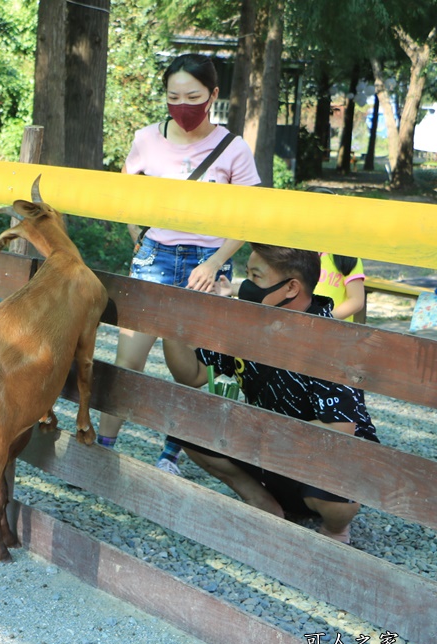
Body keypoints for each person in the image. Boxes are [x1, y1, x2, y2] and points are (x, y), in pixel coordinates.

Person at [94, 53, 261, 476]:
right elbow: (123, 191)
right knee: (127, 360)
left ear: (213, 95)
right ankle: (101, 449)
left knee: (188, 370)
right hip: (154, 258)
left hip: (207, 265)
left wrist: (218, 262)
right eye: (173, 96)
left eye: (192, 96)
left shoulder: (233, 148)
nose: (182, 104)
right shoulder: (147, 139)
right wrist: (137, 236)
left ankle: (173, 453)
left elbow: (250, 216)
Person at [162, 244, 379, 544]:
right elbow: (192, 374)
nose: (245, 285)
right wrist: (173, 325)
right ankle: (261, 500)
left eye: (255, 276)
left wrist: (253, 433)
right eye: (246, 274)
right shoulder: (248, 324)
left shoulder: (330, 340)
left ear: (291, 287)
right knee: (187, 420)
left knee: (340, 485)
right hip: (268, 452)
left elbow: (339, 428)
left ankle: (336, 528)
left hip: (316, 464)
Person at [316, 253, 366, 322]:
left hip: (335, 327)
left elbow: (356, 300)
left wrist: (328, 317)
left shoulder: (347, 258)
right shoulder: (304, 254)